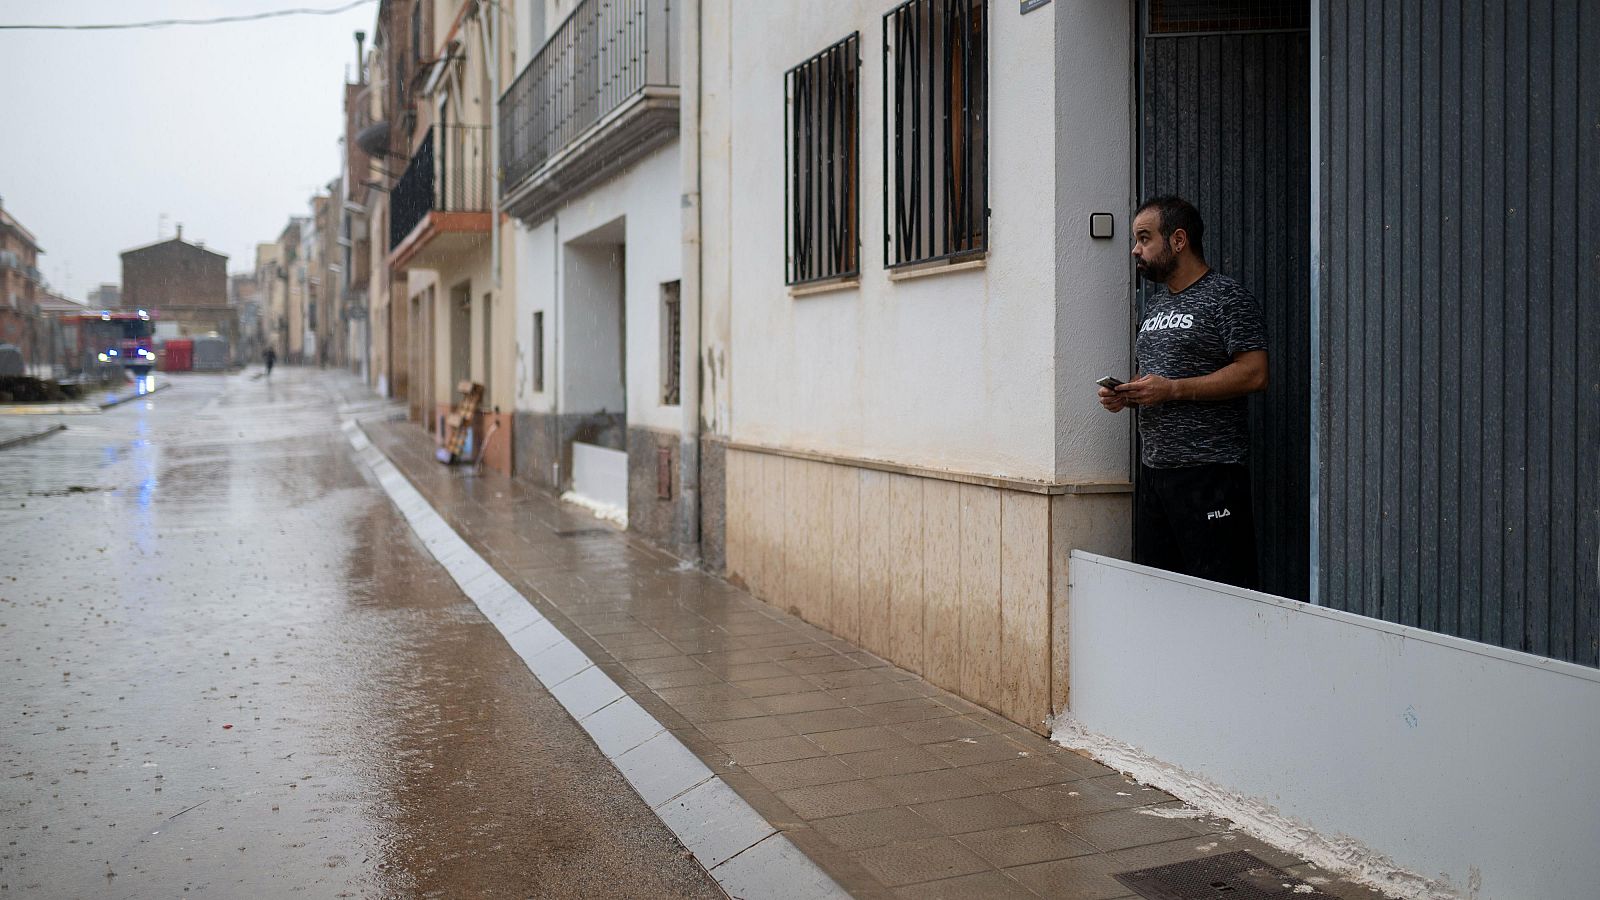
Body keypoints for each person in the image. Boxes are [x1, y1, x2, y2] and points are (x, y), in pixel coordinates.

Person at [1099, 196, 1269, 589]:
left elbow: (1256, 373)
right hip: (1156, 476)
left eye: (1144, 238)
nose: (1135, 250)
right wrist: (1127, 394)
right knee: (1161, 596)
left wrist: (1174, 389)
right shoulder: (1155, 307)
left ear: (1178, 240)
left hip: (1210, 475)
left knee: (1222, 598)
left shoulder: (1227, 297)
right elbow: (1155, 380)